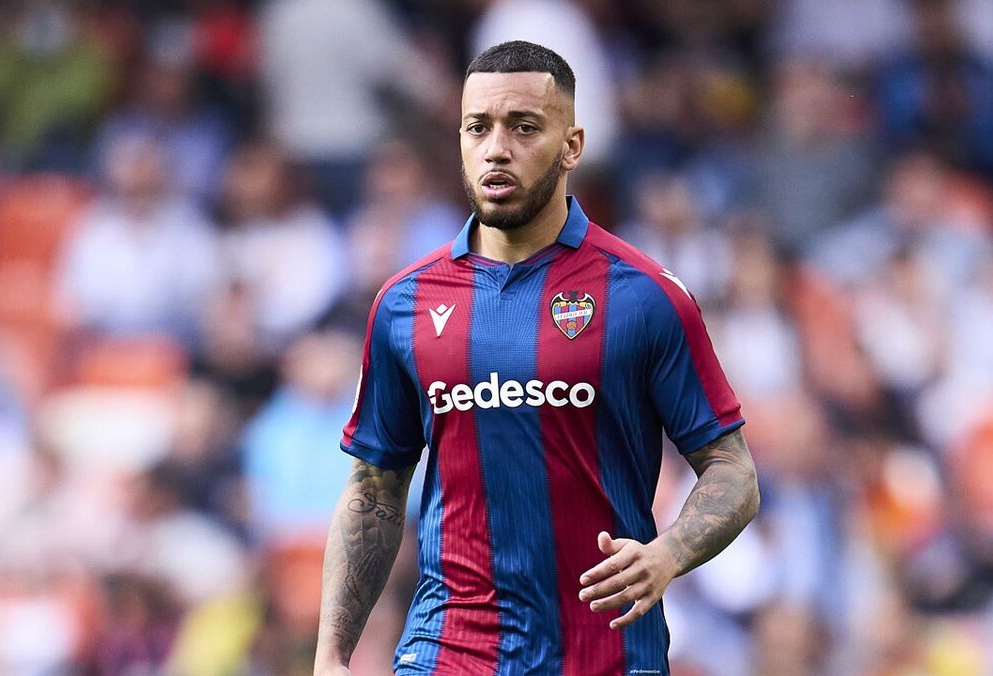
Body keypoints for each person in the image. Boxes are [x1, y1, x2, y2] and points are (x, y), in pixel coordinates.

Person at [312, 41, 760, 675]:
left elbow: (732, 470)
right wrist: (331, 655)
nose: (497, 149)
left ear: (572, 146)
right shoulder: (404, 303)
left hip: (606, 651)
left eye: (523, 127)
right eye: (478, 128)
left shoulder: (645, 296)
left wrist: (668, 554)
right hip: (449, 650)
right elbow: (374, 488)